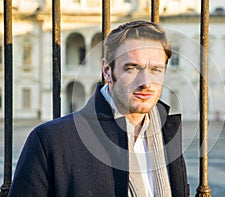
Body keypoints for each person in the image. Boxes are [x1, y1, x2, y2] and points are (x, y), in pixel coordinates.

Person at [9, 20, 189, 197]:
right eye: (132, 68)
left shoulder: (167, 134)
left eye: (156, 69)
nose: (146, 83)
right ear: (107, 71)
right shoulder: (51, 141)